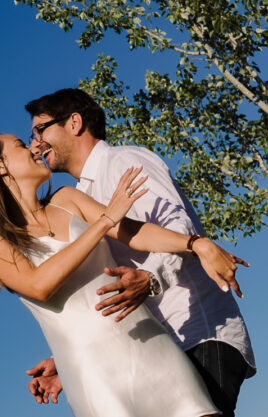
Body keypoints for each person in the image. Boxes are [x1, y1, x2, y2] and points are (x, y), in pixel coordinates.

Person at [0, 131, 248, 417]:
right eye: (20, 145)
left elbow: (134, 233)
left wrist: (196, 244)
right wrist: (104, 221)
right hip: (95, 376)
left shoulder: (67, 199)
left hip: (154, 349)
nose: (34, 147)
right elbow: (39, 285)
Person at [24, 88, 256, 416]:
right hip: (159, 351)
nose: (35, 143)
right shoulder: (80, 196)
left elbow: (178, 230)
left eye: (40, 130)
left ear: (74, 123)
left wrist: (149, 279)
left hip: (199, 334)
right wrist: (65, 360)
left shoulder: (124, 162)